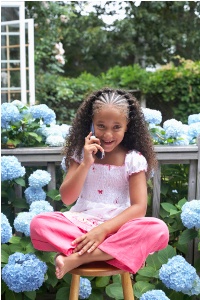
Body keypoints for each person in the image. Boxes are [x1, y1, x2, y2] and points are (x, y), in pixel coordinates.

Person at [30, 87, 169, 280]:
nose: (108, 135)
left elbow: (139, 208)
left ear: (127, 126)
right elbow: (67, 198)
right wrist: (86, 163)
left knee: (158, 229)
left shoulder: (133, 159)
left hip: (117, 229)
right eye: (101, 126)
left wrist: (101, 231)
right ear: (91, 124)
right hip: (82, 225)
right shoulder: (80, 155)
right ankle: (112, 253)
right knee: (39, 223)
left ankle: (78, 258)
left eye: (116, 127)